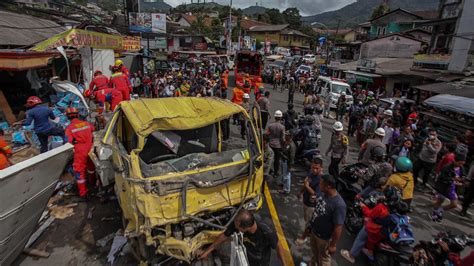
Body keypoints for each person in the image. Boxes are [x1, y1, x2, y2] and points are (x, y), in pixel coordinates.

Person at [198, 209, 287, 266]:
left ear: (246, 227)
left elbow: (279, 247)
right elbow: (223, 236)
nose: (235, 228)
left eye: (238, 227)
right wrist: (207, 251)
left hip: (261, 261)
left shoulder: (266, 232)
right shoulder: (239, 223)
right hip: (248, 256)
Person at [340, 186, 401, 263]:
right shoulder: (394, 208)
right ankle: (369, 252)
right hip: (382, 229)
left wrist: (363, 206)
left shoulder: (381, 207)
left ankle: (351, 255)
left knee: (360, 238)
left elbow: (369, 214)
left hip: (374, 228)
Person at [301, 175, 346, 266]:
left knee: (324, 259)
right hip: (314, 232)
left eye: (321, 184)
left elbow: (338, 227)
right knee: (315, 253)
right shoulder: (323, 194)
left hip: (324, 238)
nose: (319, 185)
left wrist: (333, 245)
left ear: (328, 186)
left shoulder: (339, 205)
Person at [64, 108, 94, 198]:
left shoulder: (69, 128)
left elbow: (67, 142)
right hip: (91, 148)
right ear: (77, 115)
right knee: (91, 167)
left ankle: (83, 193)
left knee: (79, 170)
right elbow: (93, 129)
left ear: (68, 117)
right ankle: (93, 183)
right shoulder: (86, 123)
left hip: (80, 150)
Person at [431, 153, 466, 223]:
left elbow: (463, 176)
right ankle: (435, 214)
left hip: (452, 188)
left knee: (454, 204)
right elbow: (442, 178)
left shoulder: (461, 168)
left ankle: (440, 210)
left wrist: (462, 180)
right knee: (440, 201)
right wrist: (453, 179)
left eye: (462, 164)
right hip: (443, 188)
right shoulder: (447, 167)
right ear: (455, 161)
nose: (461, 165)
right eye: (460, 163)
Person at [297, 158, 324, 226]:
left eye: (317, 168)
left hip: (312, 205)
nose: (314, 170)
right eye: (313, 168)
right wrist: (300, 192)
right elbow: (306, 182)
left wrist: (307, 186)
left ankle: (306, 236)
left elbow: (315, 194)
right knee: (306, 218)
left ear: (321, 168)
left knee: (309, 222)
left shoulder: (321, 179)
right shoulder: (310, 173)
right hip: (306, 201)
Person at [266, 110, 285, 176]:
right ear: (280, 118)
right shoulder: (282, 127)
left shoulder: (270, 125)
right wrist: (283, 145)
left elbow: (267, 134)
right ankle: (276, 172)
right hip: (278, 146)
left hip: (271, 144)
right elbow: (283, 138)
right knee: (277, 159)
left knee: (269, 158)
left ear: (275, 117)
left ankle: (269, 170)